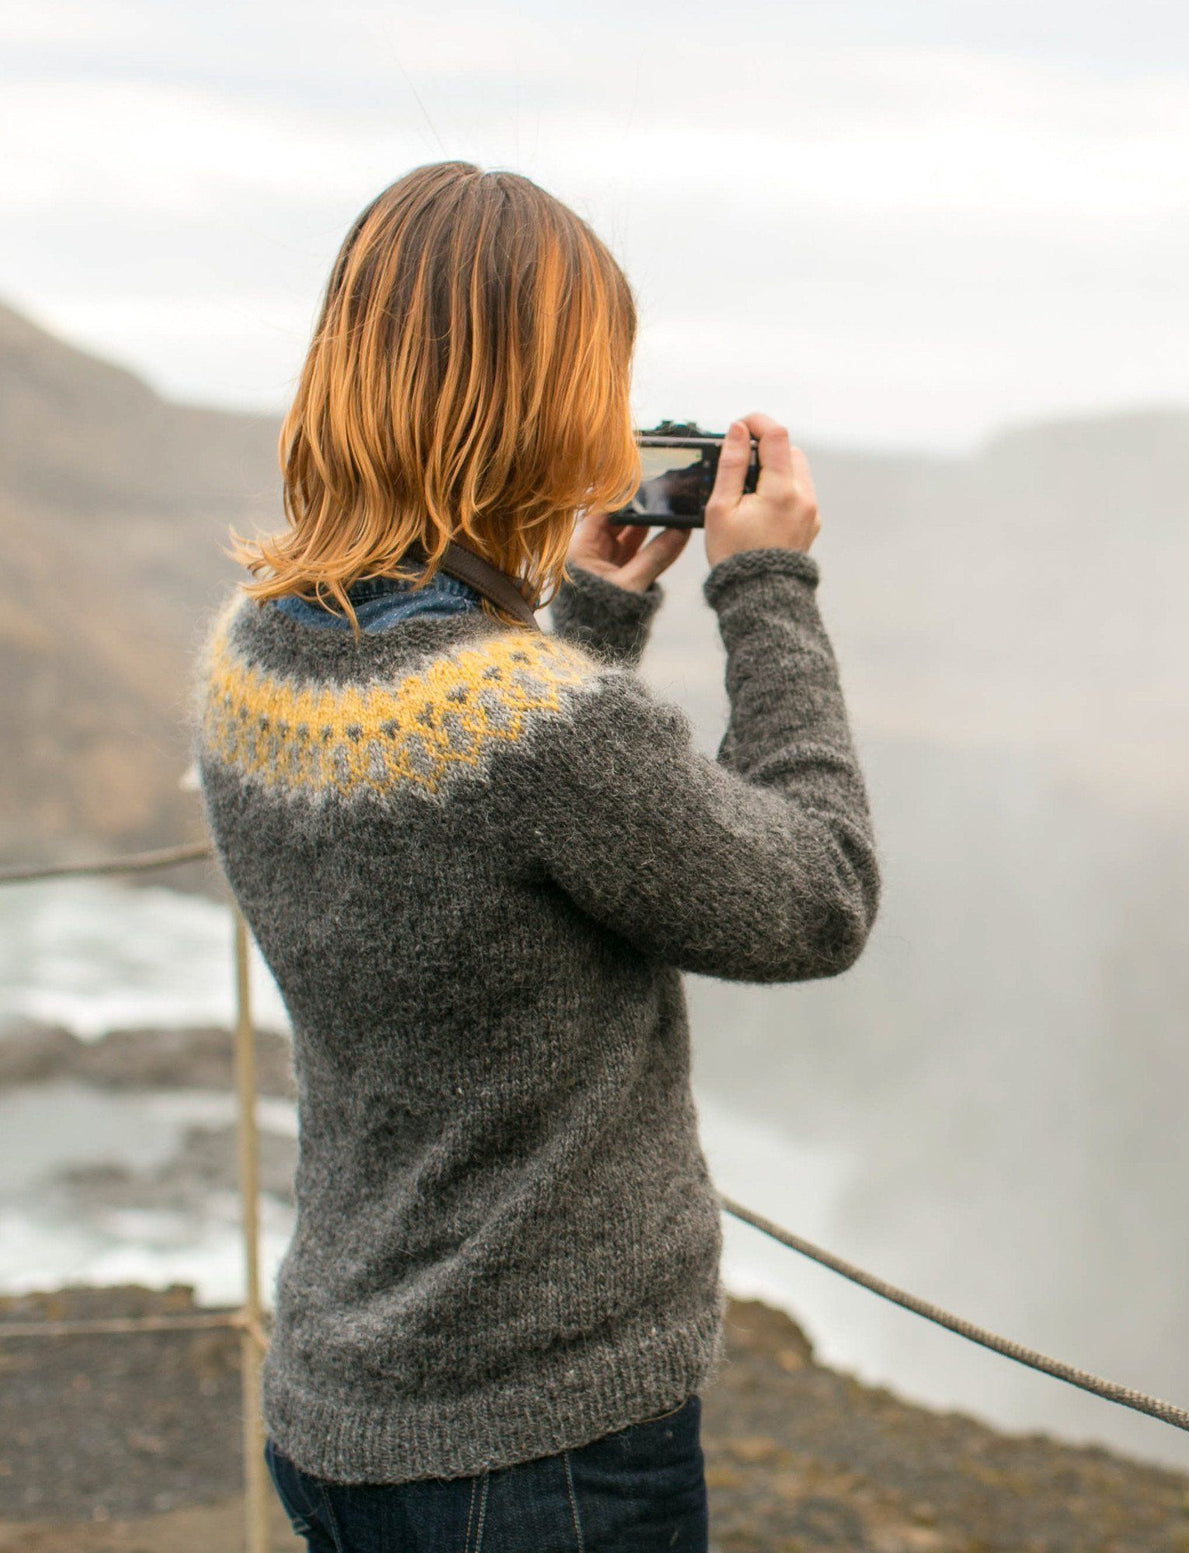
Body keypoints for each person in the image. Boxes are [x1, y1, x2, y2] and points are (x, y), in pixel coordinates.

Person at [190, 159, 880, 1553]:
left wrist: (592, 618)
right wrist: (767, 588)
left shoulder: (249, 659)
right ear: (538, 406)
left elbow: (464, 823)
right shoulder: (538, 731)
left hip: (343, 1408)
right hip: (540, 1451)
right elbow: (816, 897)